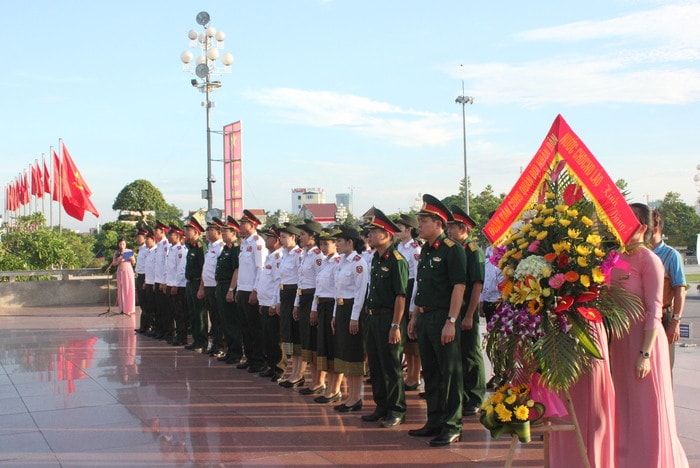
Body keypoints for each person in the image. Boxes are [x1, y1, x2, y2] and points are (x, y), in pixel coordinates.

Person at [609, 203, 688, 467]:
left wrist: (645, 354)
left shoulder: (650, 260)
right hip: (620, 344)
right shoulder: (617, 258)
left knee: (647, 411)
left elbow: (654, 310)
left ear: (642, 226)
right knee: (625, 410)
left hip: (645, 345)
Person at [407, 194, 466, 447]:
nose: (419, 226)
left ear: (438, 224)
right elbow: (422, 287)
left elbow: (459, 287)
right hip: (426, 316)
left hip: (443, 316)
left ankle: (452, 425)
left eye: (423, 221)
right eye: (419, 221)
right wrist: (414, 316)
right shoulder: (427, 251)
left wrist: (451, 320)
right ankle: (435, 420)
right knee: (430, 372)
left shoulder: (452, 250)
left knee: (449, 372)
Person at [361, 209, 408, 428]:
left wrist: (396, 325)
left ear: (387, 234)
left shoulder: (397, 260)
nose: (369, 235)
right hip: (373, 317)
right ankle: (381, 405)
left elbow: (400, 296)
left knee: (391, 365)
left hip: (389, 318)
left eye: (374, 231)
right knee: (376, 366)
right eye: (369, 232)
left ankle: (397, 409)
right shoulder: (375, 260)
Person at [447, 206, 486, 416]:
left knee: (471, 354)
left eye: (452, 227)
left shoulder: (473, 251)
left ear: (463, 229)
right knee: (459, 354)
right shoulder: (455, 250)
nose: (448, 231)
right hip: (455, 309)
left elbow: (476, 285)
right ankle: (462, 394)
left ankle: (476, 396)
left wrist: (470, 314)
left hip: (466, 309)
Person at [332, 226, 370, 413]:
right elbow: (336, 290)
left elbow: (360, 293)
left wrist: (355, 317)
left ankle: (356, 397)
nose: (336, 244)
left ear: (350, 242)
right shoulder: (341, 262)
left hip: (352, 310)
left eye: (339, 241)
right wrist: (334, 314)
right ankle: (350, 396)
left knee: (354, 354)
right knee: (344, 353)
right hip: (340, 309)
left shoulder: (358, 263)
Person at [651, 208, 687, 370]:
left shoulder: (670, 255)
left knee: (663, 367)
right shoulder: (638, 254)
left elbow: (680, 290)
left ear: (656, 228)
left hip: (663, 317)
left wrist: (675, 322)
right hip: (641, 318)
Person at [235, 209, 268, 373]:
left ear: (252, 225)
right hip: (243, 289)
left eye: (243, 223)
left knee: (255, 328)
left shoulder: (258, 243)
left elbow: (260, 269)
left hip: (252, 291)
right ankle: (249, 357)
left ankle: (259, 360)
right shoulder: (245, 243)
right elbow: (242, 269)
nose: (240, 226)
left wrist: (255, 291)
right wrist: (238, 289)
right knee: (245, 327)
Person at [312, 228, 343, 404]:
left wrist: (334, 313)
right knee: (324, 346)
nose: (323, 247)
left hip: (333, 306)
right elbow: (319, 288)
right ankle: (328, 386)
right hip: (322, 305)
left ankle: (335, 388)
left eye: (327, 243)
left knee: (333, 348)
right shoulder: (325, 263)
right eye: (321, 243)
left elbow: (338, 290)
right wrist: (314, 308)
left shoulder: (338, 263)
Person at [295, 220, 326, 396]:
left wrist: (314, 306)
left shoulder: (317, 257)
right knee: (307, 340)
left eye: (303, 235)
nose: (300, 238)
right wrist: (297, 303)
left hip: (314, 298)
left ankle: (319, 381)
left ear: (312, 237)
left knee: (315, 341)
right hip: (304, 298)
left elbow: (319, 284)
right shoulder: (305, 255)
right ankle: (313, 379)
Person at [395, 214, 422, 391]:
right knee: (405, 338)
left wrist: (413, 305)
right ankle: (409, 375)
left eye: (400, 227)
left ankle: (415, 375)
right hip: (402, 288)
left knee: (414, 339)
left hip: (411, 287)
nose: (397, 231)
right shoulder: (398, 247)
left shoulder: (415, 249)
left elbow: (418, 278)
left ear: (409, 229)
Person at [257, 225, 286, 382]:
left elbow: (277, 282)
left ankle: (279, 368)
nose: (266, 240)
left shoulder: (278, 257)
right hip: (266, 301)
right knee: (267, 336)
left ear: (276, 240)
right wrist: (263, 301)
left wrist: (275, 303)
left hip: (273, 303)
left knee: (276, 338)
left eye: (268, 237)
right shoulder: (270, 256)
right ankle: (271, 365)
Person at [480, 211, 505, 389]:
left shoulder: (509, 248)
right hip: (489, 300)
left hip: (502, 302)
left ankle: (506, 374)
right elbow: (485, 276)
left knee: (504, 341)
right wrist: (482, 299)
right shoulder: (488, 250)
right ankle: (497, 373)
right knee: (492, 340)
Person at [277, 223, 304, 387]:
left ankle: (299, 374)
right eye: (280, 236)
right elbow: (280, 279)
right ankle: (293, 372)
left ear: (293, 237)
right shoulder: (284, 254)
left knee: (296, 335)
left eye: (284, 237)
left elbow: (301, 280)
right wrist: (278, 300)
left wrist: (297, 302)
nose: (281, 239)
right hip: (284, 294)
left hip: (295, 294)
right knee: (288, 334)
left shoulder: (298, 255)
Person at [215, 216, 243, 365]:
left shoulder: (235, 249)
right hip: (220, 286)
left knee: (232, 321)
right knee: (224, 321)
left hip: (228, 285)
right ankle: (229, 350)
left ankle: (236, 352)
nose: (223, 234)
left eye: (226, 231)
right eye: (222, 231)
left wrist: (231, 289)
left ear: (234, 233)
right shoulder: (225, 249)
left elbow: (236, 270)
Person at [197, 219, 225, 357]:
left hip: (216, 286)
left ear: (219, 232)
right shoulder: (210, 247)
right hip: (208, 286)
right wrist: (201, 287)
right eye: (207, 229)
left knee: (219, 318)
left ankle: (221, 346)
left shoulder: (221, 247)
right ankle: (215, 344)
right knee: (213, 318)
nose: (207, 232)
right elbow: (205, 269)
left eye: (210, 230)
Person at [183, 217, 207, 352]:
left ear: (196, 231)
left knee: (200, 314)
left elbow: (204, 267)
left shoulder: (200, 247)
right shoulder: (191, 246)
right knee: (192, 313)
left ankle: (202, 342)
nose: (186, 232)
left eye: (189, 230)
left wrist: (201, 288)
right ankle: (196, 340)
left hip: (198, 283)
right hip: (190, 283)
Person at [165, 225, 188, 346]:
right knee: (172, 312)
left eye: (171, 235)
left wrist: (176, 285)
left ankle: (182, 337)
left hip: (178, 286)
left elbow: (181, 269)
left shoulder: (180, 250)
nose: (169, 237)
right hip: (170, 283)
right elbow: (168, 268)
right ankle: (175, 335)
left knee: (180, 313)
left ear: (177, 236)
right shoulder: (172, 249)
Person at [151, 221, 171, 339]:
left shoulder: (166, 245)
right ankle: (160, 329)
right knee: (158, 308)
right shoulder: (158, 245)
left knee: (165, 309)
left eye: (156, 231)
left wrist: (163, 281)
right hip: (157, 280)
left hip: (164, 281)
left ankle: (167, 332)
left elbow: (166, 265)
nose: (154, 233)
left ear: (162, 232)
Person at [110, 237, 136, 316]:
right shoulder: (116, 252)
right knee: (121, 289)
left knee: (129, 288)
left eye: (123, 244)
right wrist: (118, 261)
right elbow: (113, 263)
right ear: (118, 244)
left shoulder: (129, 251)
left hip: (128, 270)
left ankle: (129, 308)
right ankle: (122, 308)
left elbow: (134, 262)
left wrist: (132, 259)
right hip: (120, 270)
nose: (122, 245)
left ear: (126, 244)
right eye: (120, 244)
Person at [140, 231, 158, 335]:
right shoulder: (150, 252)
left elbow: (157, 269)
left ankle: (155, 327)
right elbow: (149, 269)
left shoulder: (156, 252)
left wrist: (155, 282)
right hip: (149, 282)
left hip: (154, 283)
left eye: (148, 239)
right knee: (149, 307)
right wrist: (146, 281)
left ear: (153, 240)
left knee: (155, 308)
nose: (145, 241)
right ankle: (151, 328)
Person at [133, 229, 149, 332]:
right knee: (142, 303)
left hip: (145, 277)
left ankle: (147, 326)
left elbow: (148, 266)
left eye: (139, 237)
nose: (137, 239)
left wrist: (146, 280)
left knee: (146, 303)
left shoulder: (147, 249)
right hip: (139, 276)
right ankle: (143, 326)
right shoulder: (141, 249)